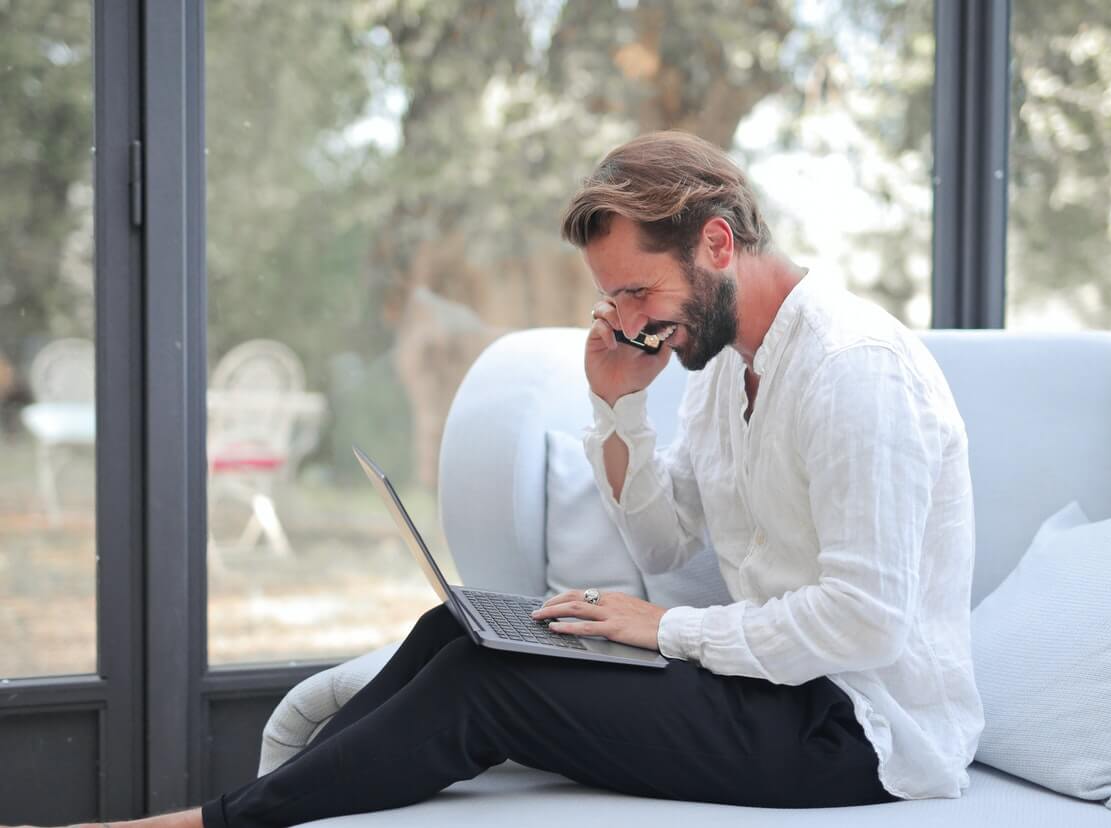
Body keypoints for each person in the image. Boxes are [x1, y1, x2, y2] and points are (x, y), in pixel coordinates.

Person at [48, 131, 981, 828]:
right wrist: (618, 408)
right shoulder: (722, 367)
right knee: (458, 630)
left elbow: (867, 618)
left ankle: (201, 826)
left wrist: (672, 628)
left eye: (638, 293)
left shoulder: (854, 369)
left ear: (718, 245)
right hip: (772, 683)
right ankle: (261, 809)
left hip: (858, 732)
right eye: (611, 296)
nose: (627, 321)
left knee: (486, 690)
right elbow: (664, 544)